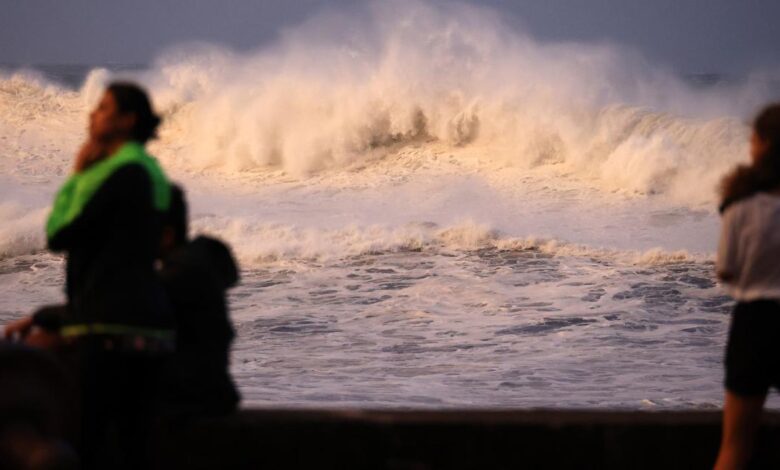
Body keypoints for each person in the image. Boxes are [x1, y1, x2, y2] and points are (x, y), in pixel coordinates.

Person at [11, 81, 175, 469]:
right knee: (134, 445)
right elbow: (123, 260)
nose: (92, 114)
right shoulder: (149, 171)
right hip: (147, 326)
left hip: (110, 329)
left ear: (127, 120)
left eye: (103, 108)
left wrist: (78, 172)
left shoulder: (121, 173)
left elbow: (59, 233)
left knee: (92, 442)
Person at [714, 103, 780, 470]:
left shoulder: (739, 206)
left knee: (735, 447)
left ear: (763, 144)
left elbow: (725, 270)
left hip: (753, 325)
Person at [158, 185, 241, 416]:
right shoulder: (200, 263)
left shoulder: (176, 278)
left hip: (189, 406)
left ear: (166, 235)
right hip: (216, 396)